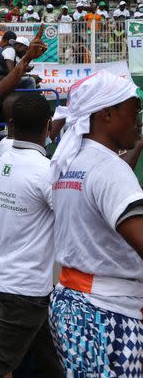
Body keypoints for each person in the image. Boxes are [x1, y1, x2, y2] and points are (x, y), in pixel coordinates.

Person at [48, 71, 143, 375]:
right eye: (134, 110)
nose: (138, 118)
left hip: (76, 302)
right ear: (108, 113)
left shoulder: (71, 162)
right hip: (107, 311)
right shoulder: (109, 169)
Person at [0, 93, 64, 378]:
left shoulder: (0, 165)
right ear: (48, 126)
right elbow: (70, 218)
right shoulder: (46, 172)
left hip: (12, 279)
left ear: (9, 125)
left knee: (53, 360)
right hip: (27, 287)